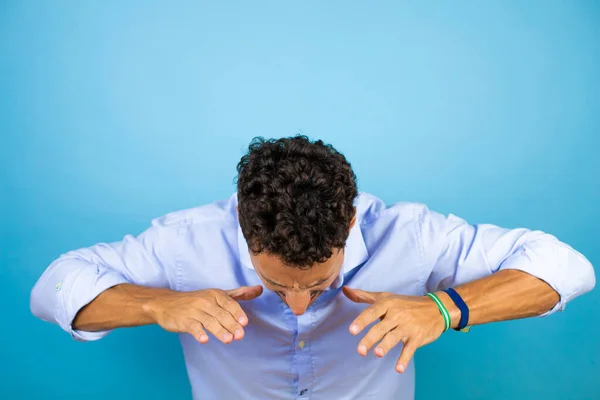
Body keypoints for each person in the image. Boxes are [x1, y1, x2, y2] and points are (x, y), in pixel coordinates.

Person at [31, 135, 595, 399]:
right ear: (243, 230)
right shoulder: (185, 241)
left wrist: (446, 308)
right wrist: (157, 303)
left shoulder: (413, 235)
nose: (297, 304)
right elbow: (52, 286)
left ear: (350, 225)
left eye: (322, 283)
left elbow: (567, 267)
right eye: (276, 284)